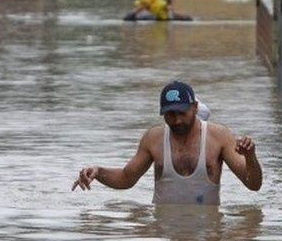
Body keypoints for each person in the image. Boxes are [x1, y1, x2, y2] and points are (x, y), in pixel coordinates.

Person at [72, 81, 262, 205]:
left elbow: (253, 184)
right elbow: (126, 179)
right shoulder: (153, 139)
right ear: (162, 113)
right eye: (170, 115)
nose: (177, 121)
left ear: (195, 108)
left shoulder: (219, 136)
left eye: (182, 113)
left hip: (207, 234)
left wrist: (251, 158)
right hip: (164, 233)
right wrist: (99, 172)